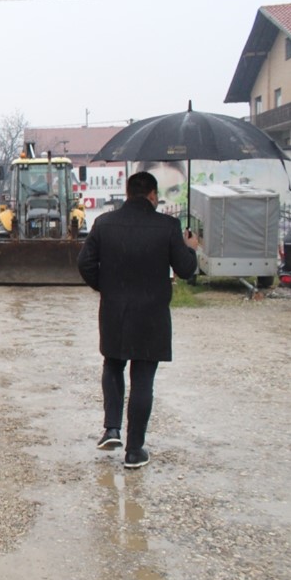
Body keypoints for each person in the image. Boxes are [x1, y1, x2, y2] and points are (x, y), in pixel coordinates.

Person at [76, 171, 199, 469]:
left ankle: (111, 429)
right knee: (143, 378)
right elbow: (185, 270)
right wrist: (191, 248)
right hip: (152, 315)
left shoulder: (104, 223)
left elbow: (84, 264)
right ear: (153, 195)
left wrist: (106, 288)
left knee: (113, 364)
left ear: (127, 192)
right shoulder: (168, 226)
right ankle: (134, 451)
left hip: (114, 310)